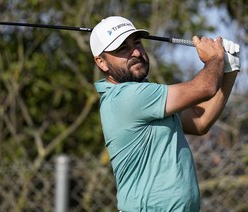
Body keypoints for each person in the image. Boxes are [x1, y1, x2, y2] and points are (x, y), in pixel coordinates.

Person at [89, 16, 240, 211]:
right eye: (122, 49)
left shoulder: (145, 95)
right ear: (101, 62)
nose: (135, 52)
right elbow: (206, 87)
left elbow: (200, 121)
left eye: (136, 43)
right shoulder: (126, 97)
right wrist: (215, 59)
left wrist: (229, 68)